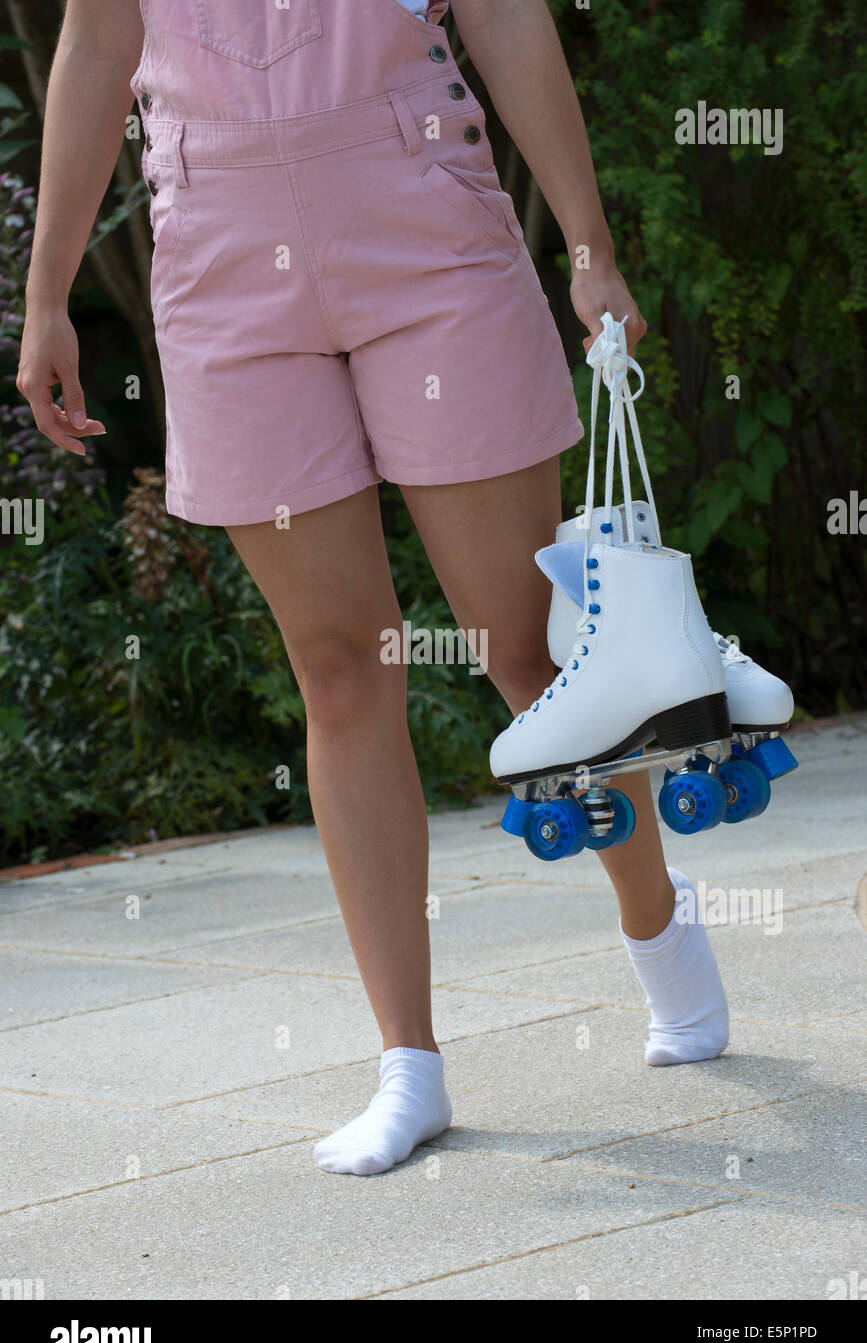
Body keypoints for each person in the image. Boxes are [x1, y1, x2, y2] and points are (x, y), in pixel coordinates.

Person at [17, 0, 730, 1178]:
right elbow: (98, 44)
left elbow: (503, 15)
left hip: (420, 223)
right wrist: (49, 290)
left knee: (525, 650)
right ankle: (412, 1064)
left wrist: (589, 246)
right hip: (223, 257)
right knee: (343, 667)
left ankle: (657, 919)